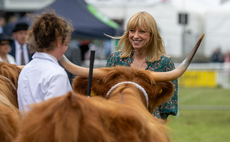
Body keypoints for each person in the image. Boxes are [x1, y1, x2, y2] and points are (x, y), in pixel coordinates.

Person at [105, 11, 178, 120]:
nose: (135, 36)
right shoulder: (115, 59)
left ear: (151, 35)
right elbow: (105, 94)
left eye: (142, 32)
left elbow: (168, 104)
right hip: (118, 121)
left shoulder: (165, 63)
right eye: (132, 31)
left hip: (149, 124)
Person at [17, 12, 74, 112]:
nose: (67, 46)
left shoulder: (26, 69)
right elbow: (56, 116)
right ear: (58, 41)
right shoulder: (56, 74)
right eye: (66, 42)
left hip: (25, 126)